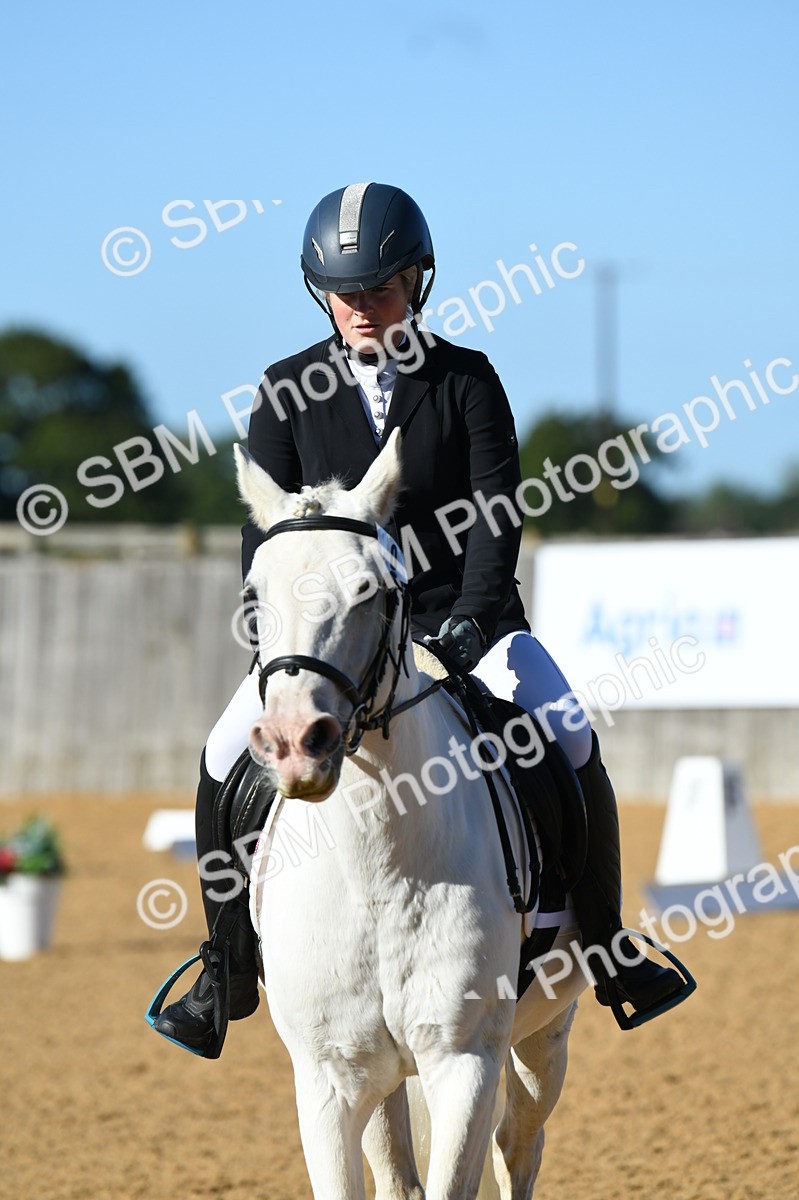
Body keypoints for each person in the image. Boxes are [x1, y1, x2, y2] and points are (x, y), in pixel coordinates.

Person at [151, 182, 687, 1056]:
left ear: (417, 282)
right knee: (220, 756)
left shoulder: (465, 379)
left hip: (463, 623)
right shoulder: (285, 388)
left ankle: (607, 944)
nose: (361, 306)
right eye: (343, 292)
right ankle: (225, 967)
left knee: (568, 733)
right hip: (331, 642)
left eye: (380, 287)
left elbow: (496, 514)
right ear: (320, 294)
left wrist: (473, 619)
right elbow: (266, 536)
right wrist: (287, 640)